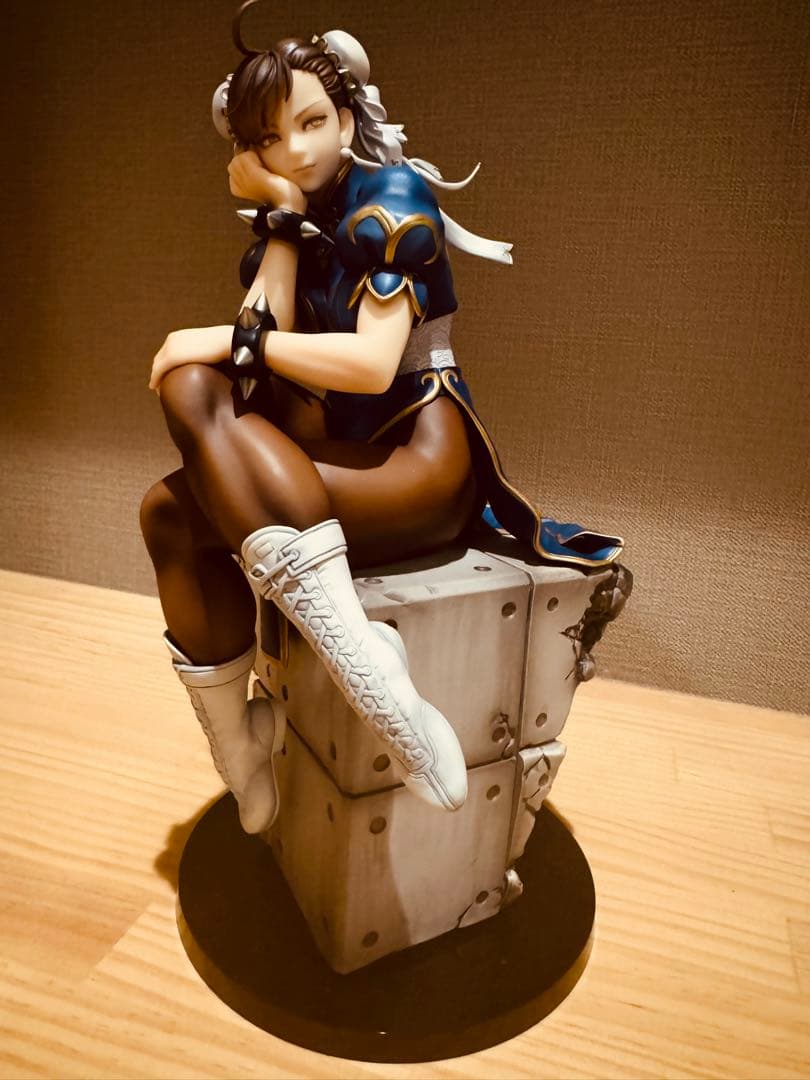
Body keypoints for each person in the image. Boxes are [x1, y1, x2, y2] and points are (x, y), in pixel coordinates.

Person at [140, 2, 623, 835]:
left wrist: (220, 338)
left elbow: (368, 364)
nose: (295, 151)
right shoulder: (298, 216)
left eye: (311, 123)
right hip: (336, 460)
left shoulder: (390, 197)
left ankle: (373, 678)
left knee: (195, 381)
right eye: (267, 140)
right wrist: (282, 217)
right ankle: (243, 753)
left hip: (419, 463)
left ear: (347, 115)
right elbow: (264, 349)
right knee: (170, 497)